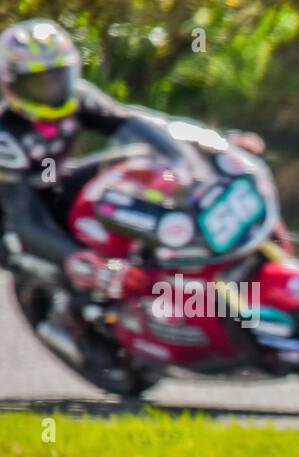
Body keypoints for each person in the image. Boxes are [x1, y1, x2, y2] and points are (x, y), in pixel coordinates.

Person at [0, 18, 264, 301]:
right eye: (39, 83)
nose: (51, 89)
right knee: (27, 249)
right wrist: (73, 256)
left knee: (136, 162)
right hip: (16, 216)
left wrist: (210, 142)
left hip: (59, 183)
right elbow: (23, 218)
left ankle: (171, 248)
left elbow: (138, 124)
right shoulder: (7, 136)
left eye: (57, 77)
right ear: (13, 84)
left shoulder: (79, 97)